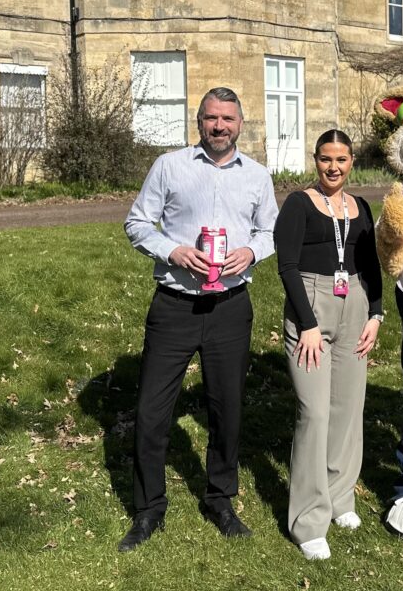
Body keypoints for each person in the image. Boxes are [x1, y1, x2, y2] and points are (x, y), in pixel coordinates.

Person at [119, 87, 278, 553]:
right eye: (211, 118)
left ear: (240, 124)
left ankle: (220, 499)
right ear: (199, 122)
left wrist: (251, 251)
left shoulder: (258, 177)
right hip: (174, 305)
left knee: (227, 409)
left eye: (228, 118)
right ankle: (148, 509)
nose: (219, 126)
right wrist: (173, 250)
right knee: (152, 412)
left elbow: (270, 230)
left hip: (230, 307)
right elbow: (137, 223)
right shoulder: (169, 166)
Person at [275, 130, 383, 560]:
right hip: (312, 307)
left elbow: (371, 264)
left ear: (352, 160)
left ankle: (340, 498)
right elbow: (286, 266)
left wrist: (375, 314)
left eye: (341, 159)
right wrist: (307, 324)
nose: (333, 167)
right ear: (315, 160)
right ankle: (308, 520)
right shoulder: (300, 204)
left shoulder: (361, 208)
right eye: (325, 159)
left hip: (354, 304)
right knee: (315, 413)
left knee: (347, 409)